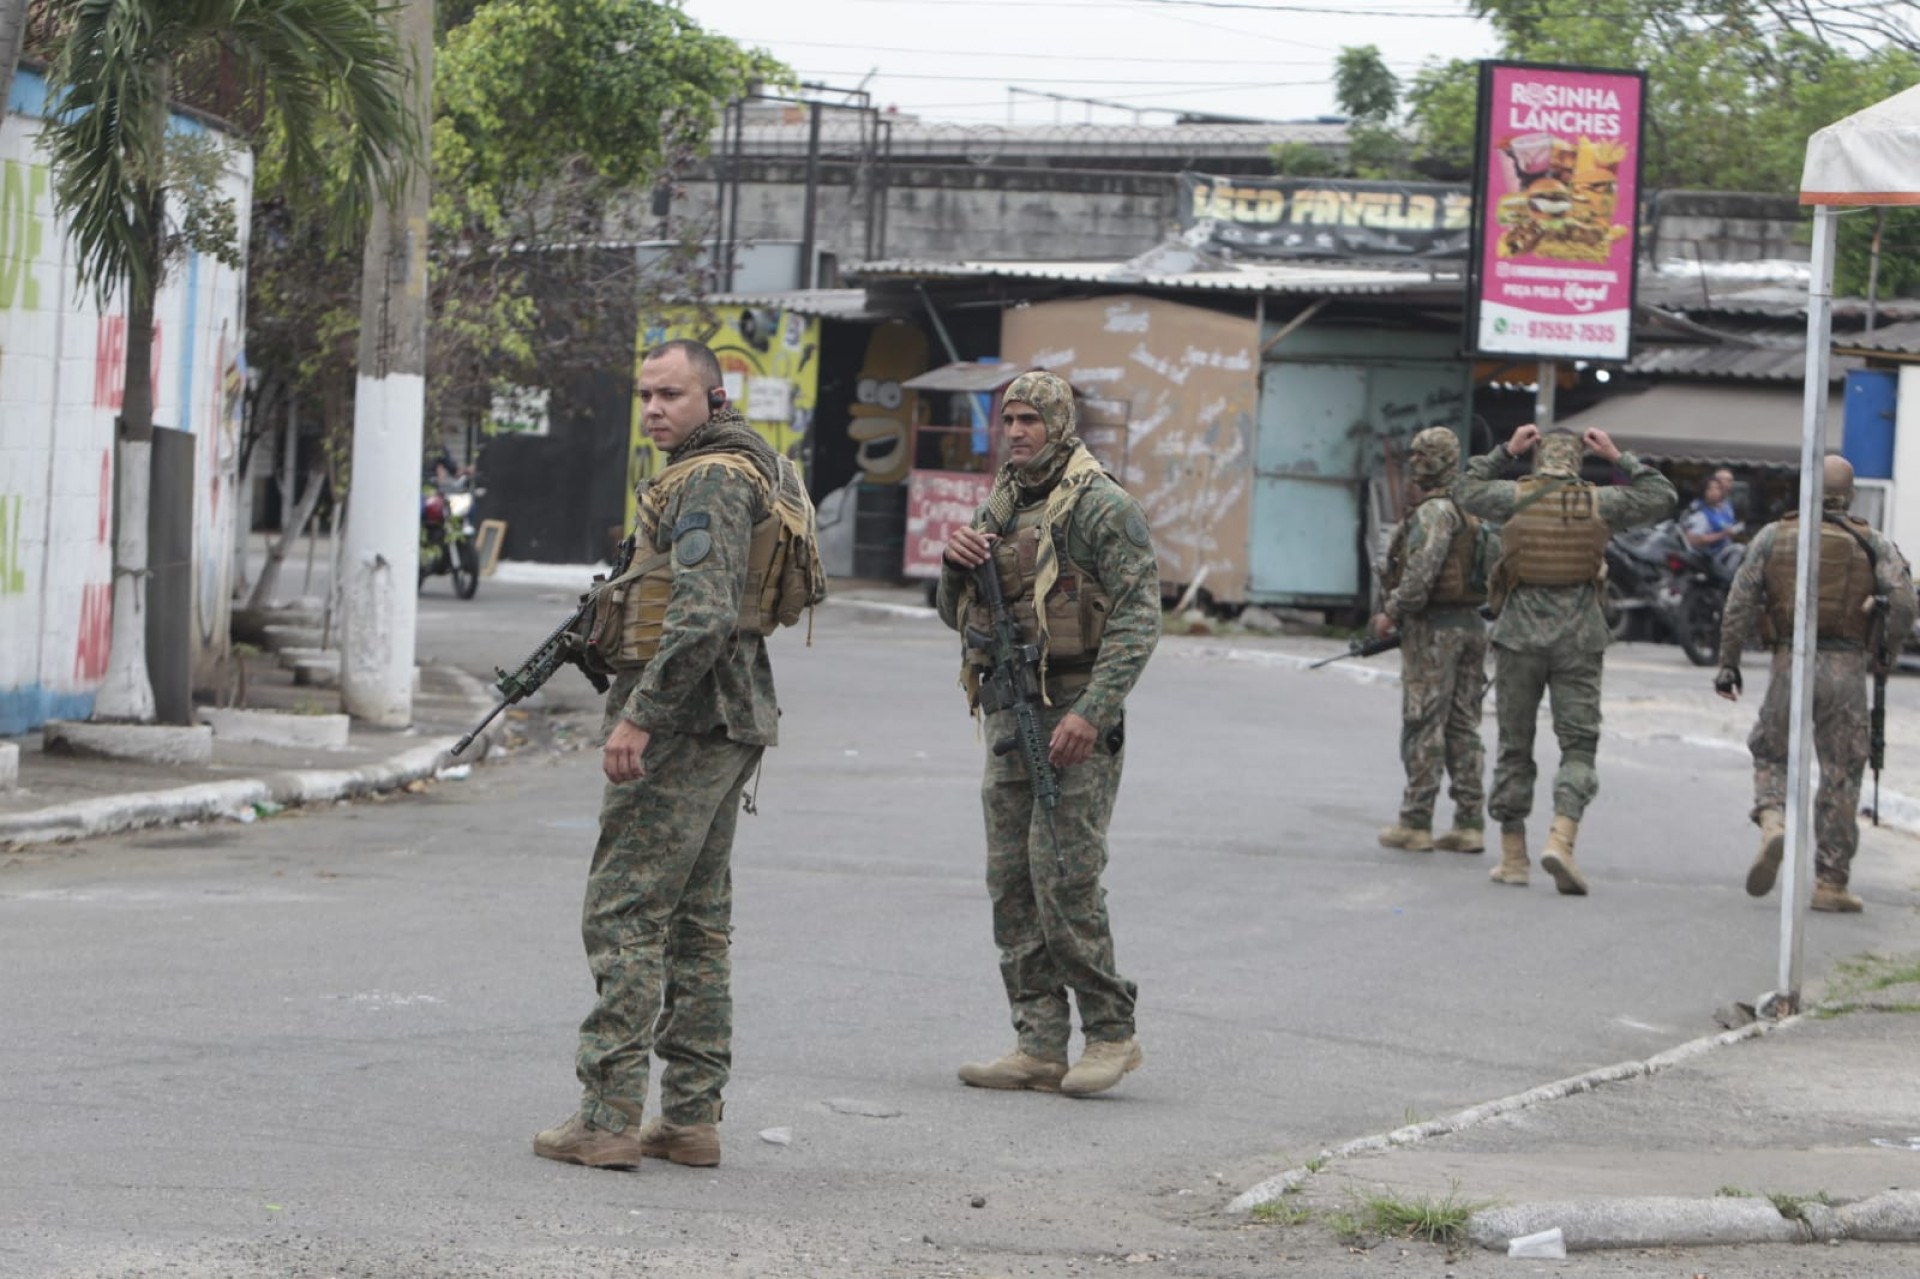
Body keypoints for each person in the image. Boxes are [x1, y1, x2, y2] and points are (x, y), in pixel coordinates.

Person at [534, 339, 781, 1170]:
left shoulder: (710, 478)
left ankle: (606, 1115)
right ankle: (688, 1117)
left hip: (684, 722)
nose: (653, 410)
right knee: (696, 923)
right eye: (645, 395)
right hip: (729, 718)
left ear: (713, 399)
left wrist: (638, 717)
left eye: (670, 394)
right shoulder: (747, 466)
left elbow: (703, 615)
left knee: (626, 912)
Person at [937, 370, 1160, 1098]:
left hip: (1073, 711)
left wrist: (1092, 711)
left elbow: (1138, 618)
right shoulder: (1000, 504)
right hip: (1010, 709)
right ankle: (1037, 1040)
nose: (1018, 432)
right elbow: (956, 612)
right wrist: (954, 565)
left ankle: (1110, 1031)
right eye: (1009, 420)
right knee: (1011, 880)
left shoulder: (1102, 505)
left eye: (1031, 419)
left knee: (1064, 876)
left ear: (1060, 422)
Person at [1454, 423, 1676, 894]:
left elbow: (1463, 489)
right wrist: (1619, 457)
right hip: (1579, 639)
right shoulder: (1601, 503)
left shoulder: (1512, 497)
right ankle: (1561, 839)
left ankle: (1513, 858)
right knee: (1578, 746)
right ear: (1578, 458)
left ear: (1538, 458)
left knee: (1515, 746)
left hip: (1518, 638)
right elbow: (1662, 496)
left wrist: (1504, 451)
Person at [1713, 455, 1917, 913]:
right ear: (1848, 495)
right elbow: (1904, 602)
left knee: (1770, 752)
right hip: (1845, 670)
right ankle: (1831, 882)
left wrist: (1728, 664)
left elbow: (1739, 603)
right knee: (1841, 773)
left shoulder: (1773, 536)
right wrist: (1886, 647)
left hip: (1790, 661)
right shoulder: (1872, 541)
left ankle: (1772, 822)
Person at [1371, 426, 1490, 855]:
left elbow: (1421, 575)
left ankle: (1416, 822)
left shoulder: (1435, 513)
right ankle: (1469, 822)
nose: (1416, 465)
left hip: (1434, 630)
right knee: (1463, 724)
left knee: (1424, 722)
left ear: (1439, 461)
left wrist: (1392, 612)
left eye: (1423, 457)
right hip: (1472, 626)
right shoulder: (1474, 507)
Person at [1681, 468, 1744, 579]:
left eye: (1717, 489)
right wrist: (1723, 534)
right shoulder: (1700, 511)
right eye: (1711, 489)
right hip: (1706, 557)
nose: (1729, 485)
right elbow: (1693, 539)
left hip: (1723, 552)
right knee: (1739, 549)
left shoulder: (1726, 506)